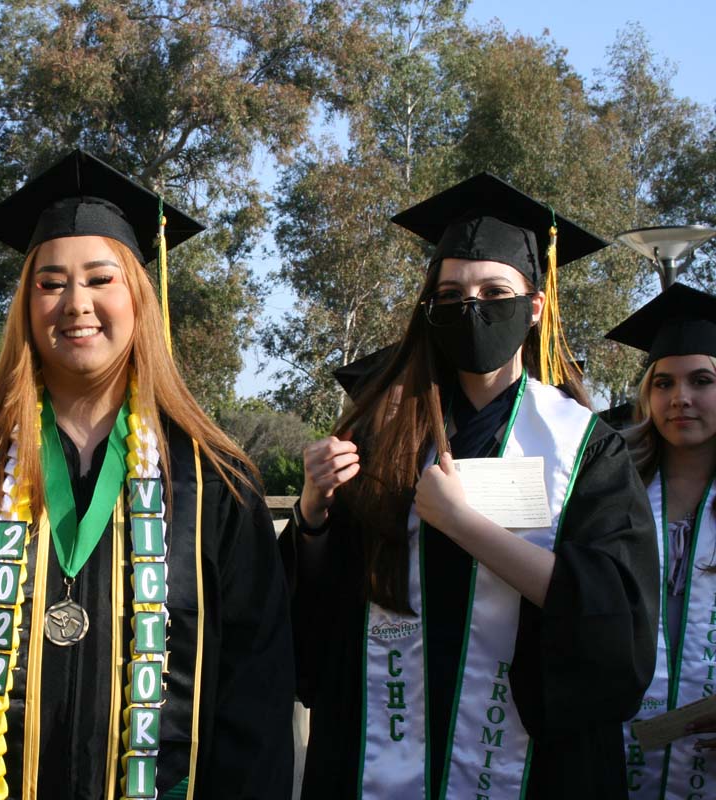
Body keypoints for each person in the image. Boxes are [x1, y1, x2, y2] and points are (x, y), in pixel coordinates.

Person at [0, 149, 294, 800]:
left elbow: (257, 685)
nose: (75, 303)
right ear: (26, 303)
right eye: (50, 283)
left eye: (100, 279)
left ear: (139, 297)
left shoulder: (214, 480)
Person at [281, 172, 659, 799]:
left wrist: (463, 524)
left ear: (534, 306)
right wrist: (314, 513)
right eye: (451, 293)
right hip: (384, 737)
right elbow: (321, 613)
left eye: (494, 290)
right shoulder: (378, 435)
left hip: (529, 757)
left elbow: (613, 616)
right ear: (430, 308)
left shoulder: (587, 446)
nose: (472, 306)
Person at [606, 283, 716, 799]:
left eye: (702, 381)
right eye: (664, 383)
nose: (681, 399)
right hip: (613, 741)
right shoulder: (606, 489)